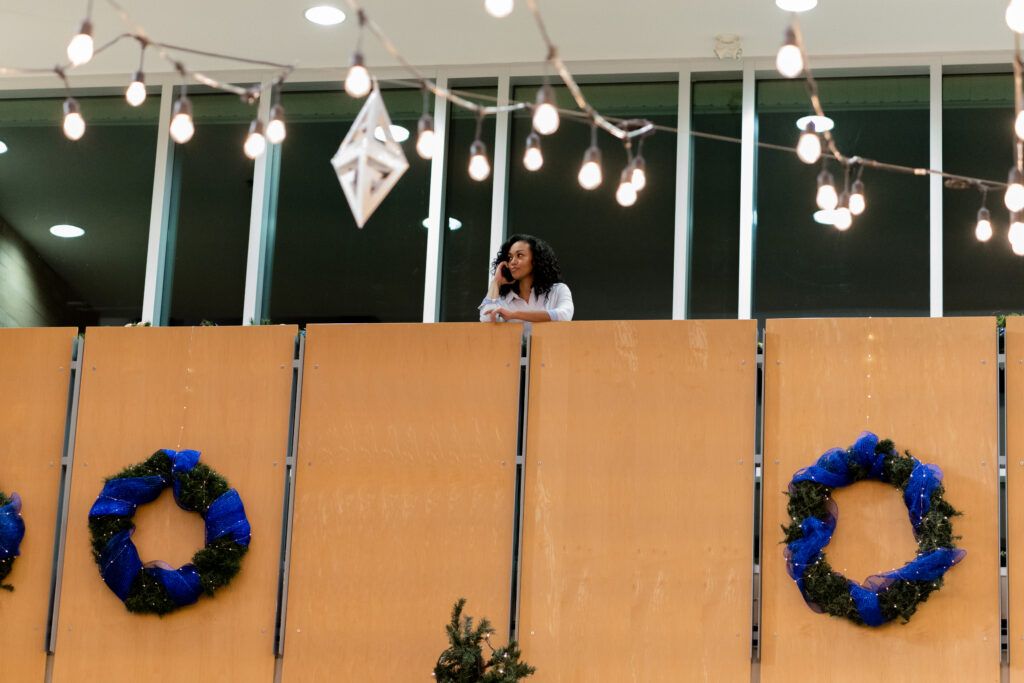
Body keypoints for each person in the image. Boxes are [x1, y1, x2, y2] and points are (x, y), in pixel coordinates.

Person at [479, 234, 573, 322]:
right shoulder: (504, 299)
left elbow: (564, 315)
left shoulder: (557, 290)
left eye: (519, 255)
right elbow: (487, 320)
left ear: (535, 260)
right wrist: (495, 282)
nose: (513, 262)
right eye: (510, 257)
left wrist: (514, 315)